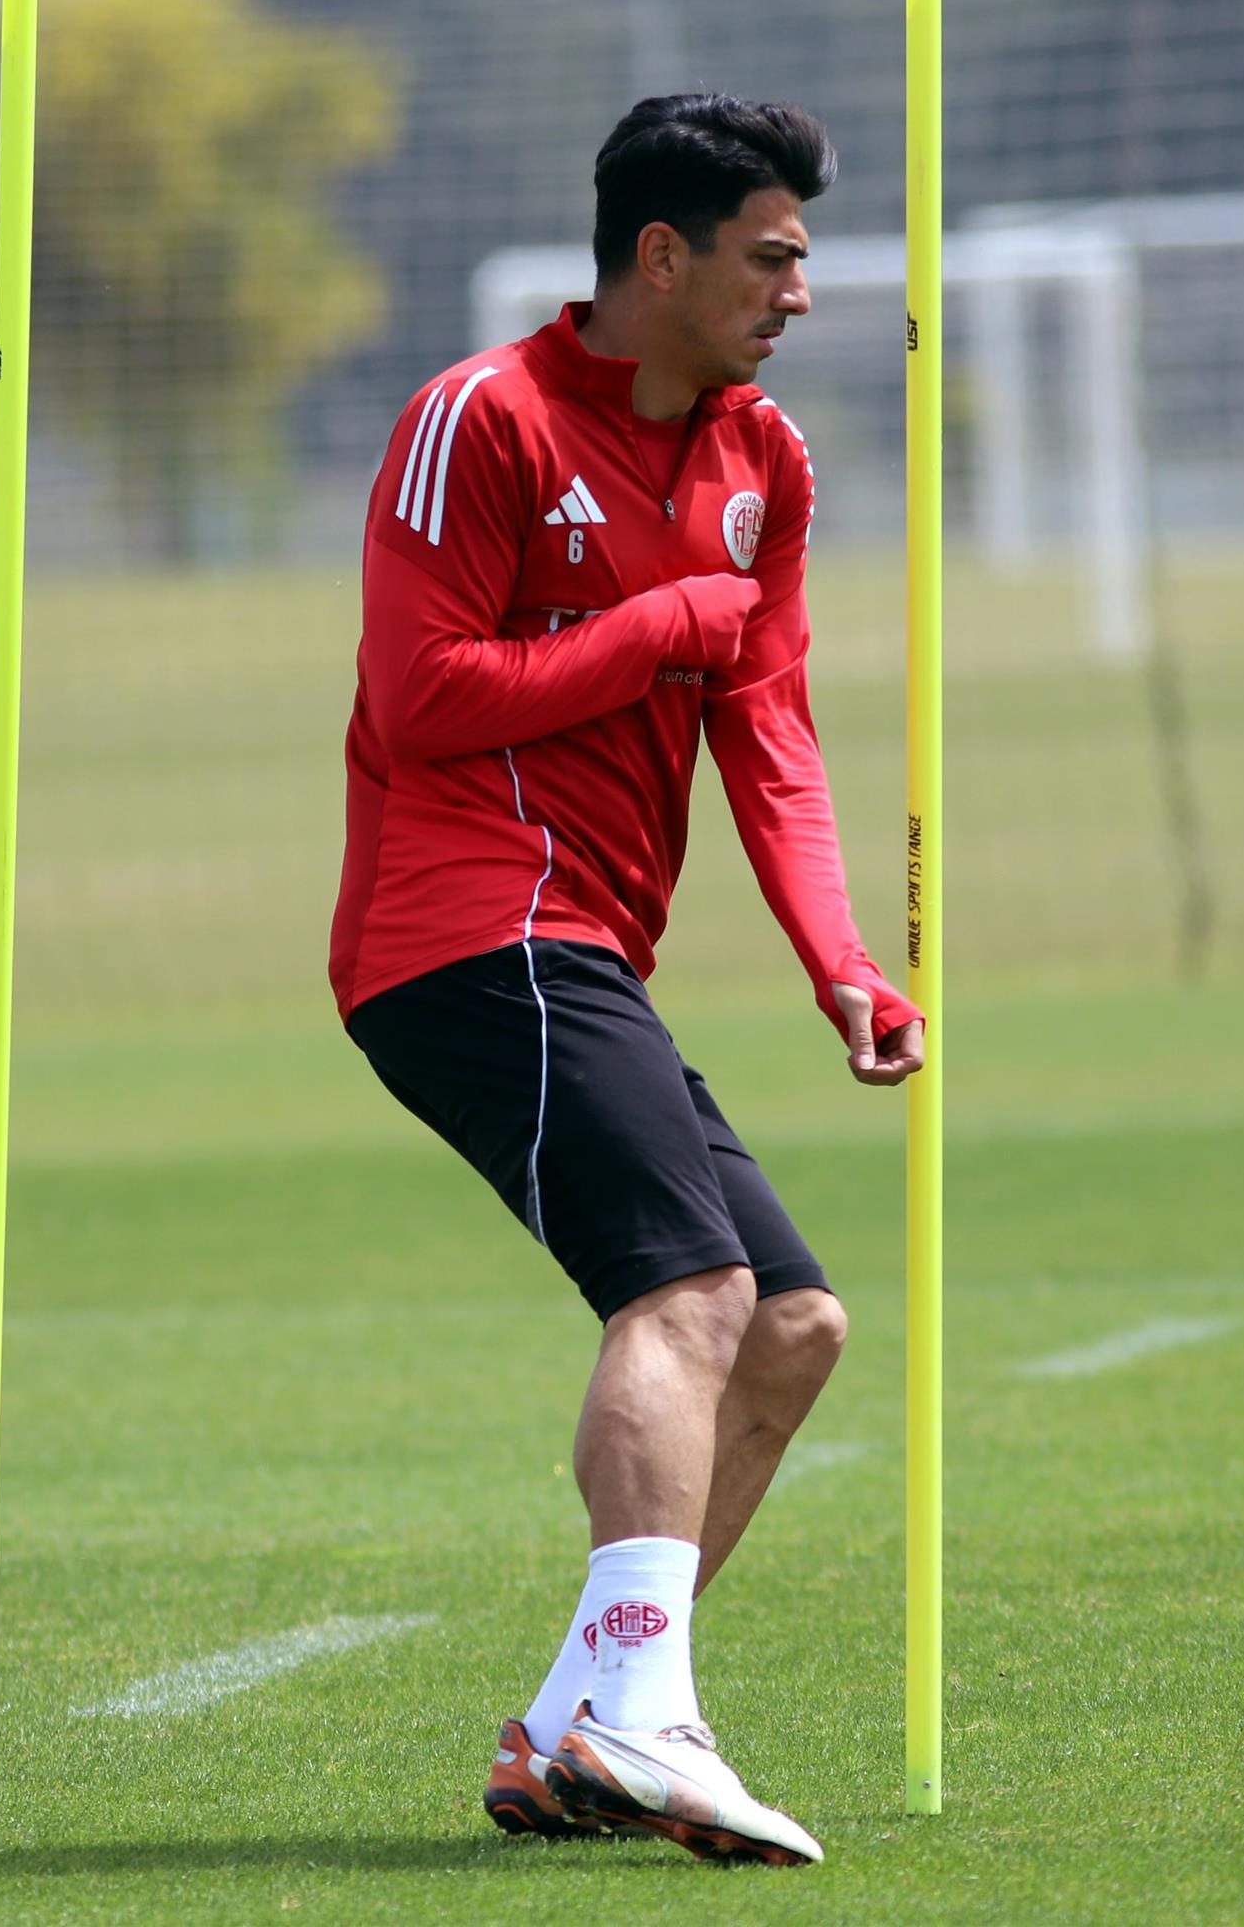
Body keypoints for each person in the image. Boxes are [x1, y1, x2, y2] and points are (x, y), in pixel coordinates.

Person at [329, 94, 924, 1868]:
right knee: (688, 1290)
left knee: (793, 1326)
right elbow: (423, 694)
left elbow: (772, 726)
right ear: (661, 256)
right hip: (460, 930)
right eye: (771, 257)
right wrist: (657, 626)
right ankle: (652, 1721)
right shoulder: (478, 419)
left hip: (582, 945)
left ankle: (576, 1728)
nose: (799, 292)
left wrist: (839, 958)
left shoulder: (768, 459)